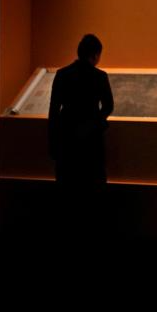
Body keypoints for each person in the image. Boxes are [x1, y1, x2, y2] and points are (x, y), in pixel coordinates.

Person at [47, 33, 114, 248]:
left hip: (66, 139)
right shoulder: (99, 77)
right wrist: (95, 123)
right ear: (95, 55)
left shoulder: (62, 75)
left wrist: (53, 142)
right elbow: (108, 106)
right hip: (91, 142)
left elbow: (53, 111)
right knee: (92, 192)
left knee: (67, 191)